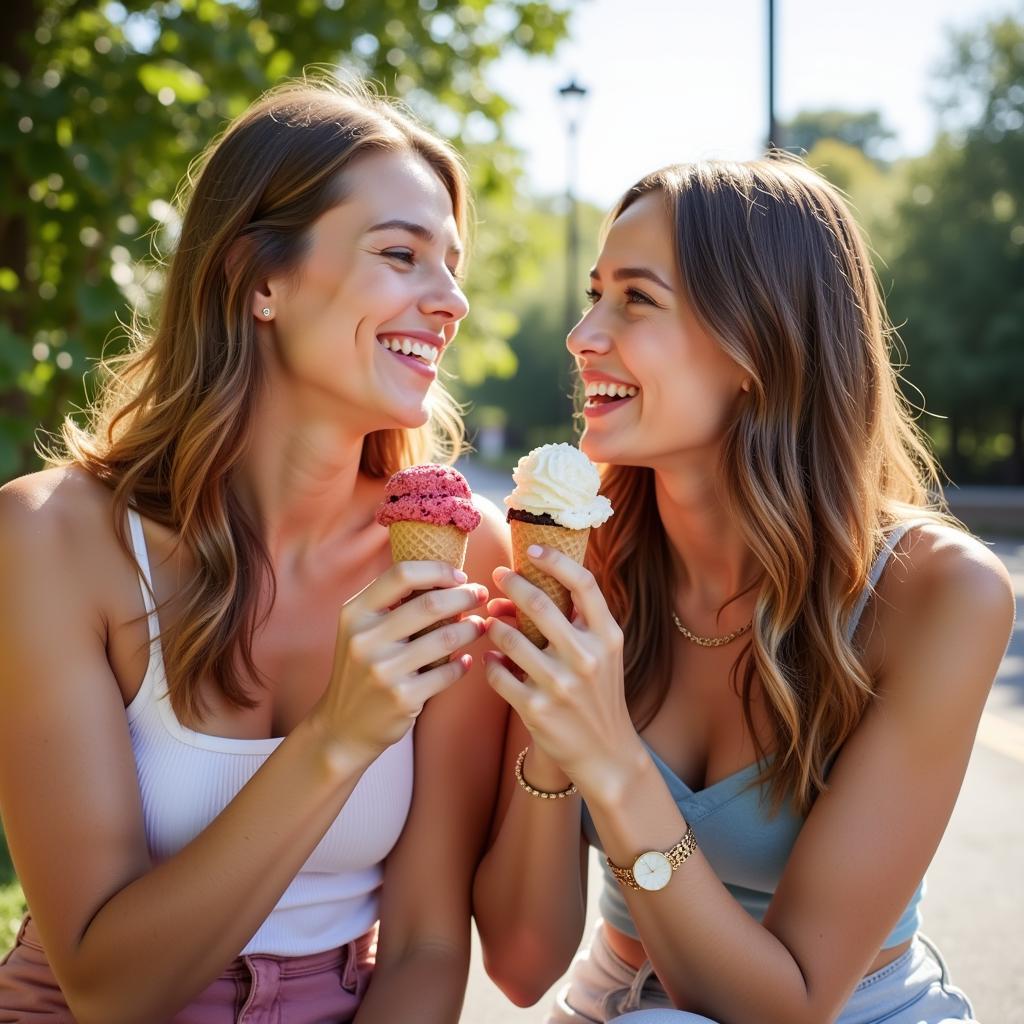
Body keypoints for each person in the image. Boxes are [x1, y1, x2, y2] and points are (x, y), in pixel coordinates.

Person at [0, 79, 510, 1023]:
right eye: (401, 255)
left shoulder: (457, 554)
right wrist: (338, 737)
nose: (452, 301)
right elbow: (109, 987)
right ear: (256, 279)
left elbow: (431, 947)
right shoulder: (51, 541)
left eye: (452, 264)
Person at [473, 158, 1014, 1024]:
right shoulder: (583, 558)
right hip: (614, 1005)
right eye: (593, 294)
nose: (582, 335)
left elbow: (787, 1007)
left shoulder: (940, 595)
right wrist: (551, 735)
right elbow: (523, 965)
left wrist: (611, 758)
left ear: (756, 346)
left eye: (635, 300)